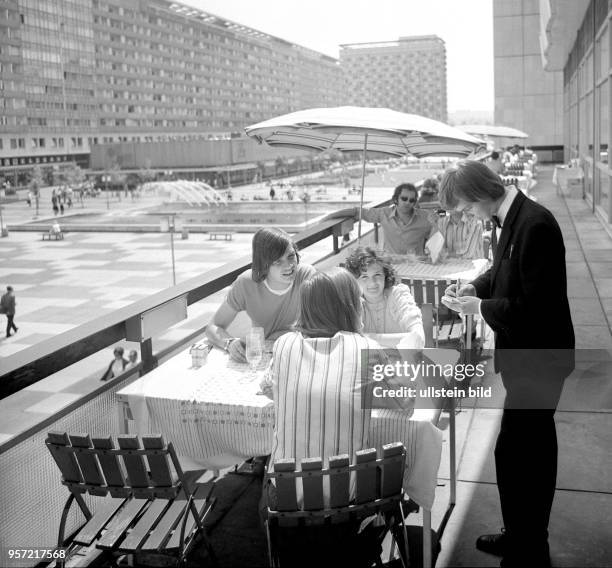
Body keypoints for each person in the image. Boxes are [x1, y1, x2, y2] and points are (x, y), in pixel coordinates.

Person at [439, 160, 575, 568]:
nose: (464, 214)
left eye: (463, 206)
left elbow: (535, 308)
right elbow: (502, 273)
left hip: (540, 358)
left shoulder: (535, 225)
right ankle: (525, 535)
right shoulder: (511, 219)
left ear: (481, 192)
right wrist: (474, 286)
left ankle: (528, 540)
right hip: (527, 359)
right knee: (521, 451)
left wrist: (479, 307)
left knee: (523, 453)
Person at [206, 227, 315, 363]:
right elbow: (213, 326)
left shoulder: (307, 276)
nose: (289, 266)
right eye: (277, 262)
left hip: (300, 354)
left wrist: (288, 335)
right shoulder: (246, 283)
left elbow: (326, 323)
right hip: (265, 357)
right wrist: (230, 343)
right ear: (264, 264)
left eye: (291, 256)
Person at [343, 247, 424, 348]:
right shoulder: (354, 303)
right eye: (364, 277)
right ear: (354, 280)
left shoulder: (398, 295)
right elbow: (349, 342)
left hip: (404, 362)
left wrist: (366, 337)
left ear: (385, 275)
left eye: (377, 275)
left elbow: (418, 336)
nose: (372, 282)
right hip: (366, 363)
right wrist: (402, 339)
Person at [329, 183, 439, 255]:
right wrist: (329, 217)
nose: (407, 203)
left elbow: (443, 226)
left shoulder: (425, 217)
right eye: (404, 198)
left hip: (416, 265)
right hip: (390, 266)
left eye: (411, 200)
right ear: (396, 199)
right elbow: (357, 211)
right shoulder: (383, 214)